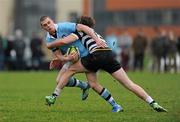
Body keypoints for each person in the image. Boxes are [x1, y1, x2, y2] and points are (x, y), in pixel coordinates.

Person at [46, 16, 167, 112]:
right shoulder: (97, 34)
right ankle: (152, 102)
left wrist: (50, 45)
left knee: (70, 70)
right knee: (127, 84)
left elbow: (63, 41)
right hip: (109, 55)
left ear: (81, 25)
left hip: (95, 57)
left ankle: (54, 96)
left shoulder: (78, 33)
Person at [40, 16, 123, 112]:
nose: (48, 26)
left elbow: (83, 28)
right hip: (73, 59)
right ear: (43, 28)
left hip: (87, 56)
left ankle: (115, 105)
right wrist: (66, 58)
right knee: (60, 80)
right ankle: (84, 86)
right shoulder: (49, 40)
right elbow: (59, 55)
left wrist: (97, 40)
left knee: (93, 85)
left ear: (52, 21)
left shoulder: (64, 26)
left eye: (49, 22)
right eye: (45, 25)